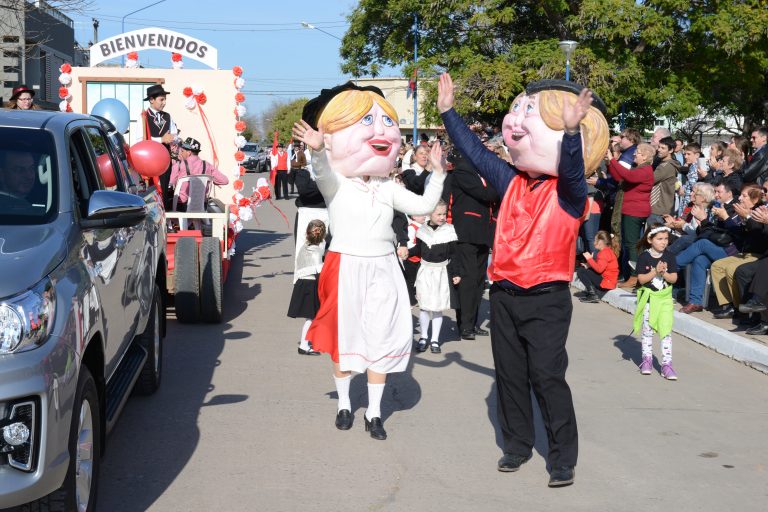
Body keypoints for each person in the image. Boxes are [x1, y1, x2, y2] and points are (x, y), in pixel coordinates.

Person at [437, 72, 609, 487]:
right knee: (509, 374)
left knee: (547, 377)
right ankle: (516, 445)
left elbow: (570, 171)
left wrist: (570, 132)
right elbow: (476, 154)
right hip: (506, 295)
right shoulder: (511, 182)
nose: (516, 122)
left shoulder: (570, 194)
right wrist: (448, 112)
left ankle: (562, 458)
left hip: (547, 299)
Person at [293, 82, 446, 441]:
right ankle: (345, 405)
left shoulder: (388, 187)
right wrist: (317, 151)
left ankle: (374, 413)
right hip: (345, 265)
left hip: (384, 267)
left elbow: (424, 207)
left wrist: (438, 174)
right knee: (344, 337)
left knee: (382, 337)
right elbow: (323, 172)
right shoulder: (338, 186)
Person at [447, 151, 499, 340]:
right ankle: (465, 325)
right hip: (467, 233)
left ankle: (472, 323)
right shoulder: (463, 171)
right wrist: (497, 185)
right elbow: (485, 194)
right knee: (468, 280)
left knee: (478, 281)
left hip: (482, 233)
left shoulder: (481, 174)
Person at [676, 182, 742, 314]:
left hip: (732, 251)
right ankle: (696, 302)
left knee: (702, 244)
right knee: (699, 259)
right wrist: (703, 223)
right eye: (715, 192)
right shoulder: (716, 206)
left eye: (719, 192)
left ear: (729, 194)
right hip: (718, 247)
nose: (715, 195)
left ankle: (668, 268)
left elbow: (732, 235)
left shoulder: (734, 209)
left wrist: (706, 220)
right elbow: (708, 232)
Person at [709, 184, 767, 319]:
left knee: (731, 269)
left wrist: (743, 218)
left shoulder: (758, 211)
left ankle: (740, 309)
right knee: (717, 266)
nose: (739, 198)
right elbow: (738, 234)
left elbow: (755, 238)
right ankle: (729, 305)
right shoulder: (742, 212)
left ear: (754, 199)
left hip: (756, 254)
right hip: (743, 252)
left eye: (744, 196)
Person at [410, 200, 461, 354]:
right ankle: (424, 337)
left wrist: (456, 273)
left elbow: (454, 255)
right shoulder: (423, 230)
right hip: (425, 272)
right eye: (438, 214)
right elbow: (419, 249)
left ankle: (435, 340)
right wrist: (408, 252)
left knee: (437, 308)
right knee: (425, 307)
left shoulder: (449, 231)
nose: (442, 217)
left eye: (444, 213)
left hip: (441, 273)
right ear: (430, 214)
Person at [633, 225, 679, 379]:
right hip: (649, 300)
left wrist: (664, 272)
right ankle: (647, 360)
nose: (664, 242)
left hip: (665, 299)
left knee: (666, 331)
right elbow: (641, 279)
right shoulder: (644, 257)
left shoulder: (670, 256)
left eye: (666, 239)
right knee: (648, 331)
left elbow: (673, 278)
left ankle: (667, 364)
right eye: (660, 239)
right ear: (650, 239)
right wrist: (654, 271)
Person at [607, 142, 655, 288]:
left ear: (645, 156)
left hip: (634, 211)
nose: (634, 154)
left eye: (638, 152)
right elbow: (619, 177)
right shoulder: (639, 168)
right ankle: (633, 275)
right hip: (631, 210)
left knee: (632, 244)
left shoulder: (645, 170)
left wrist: (613, 160)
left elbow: (627, 175)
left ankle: (635, 276)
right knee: (631, 243)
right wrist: (610, 163)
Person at [288, 219, 327, 355]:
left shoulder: (305, 246)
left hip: (302, 283)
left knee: (311, 317)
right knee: (311, 317)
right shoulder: (316, 251)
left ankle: (307, 342)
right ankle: (304, 345)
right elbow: (319, 271)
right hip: (310, 285)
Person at [142, 84, 179, 208]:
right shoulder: (143, 117)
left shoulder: (167, 116)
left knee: (164, 186)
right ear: (151, 100)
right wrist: (161, 139)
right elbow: (140, 140)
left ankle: (164, 217)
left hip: (165, 158)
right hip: (149, 160)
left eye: (165, 99)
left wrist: (174, 138)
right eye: (161, 99)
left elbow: (174, 134)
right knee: (151, 189)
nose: (164, 103)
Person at [168, 137, 229, 210]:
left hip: (182, 206)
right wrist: (213, 180)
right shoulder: (207, 165)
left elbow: (170, 184)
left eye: (182, 151)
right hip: (201, 206)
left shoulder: (179, 165)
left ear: (189, 152)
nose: (180, 153)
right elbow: (225, 181)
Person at [576, 231, 620, 303]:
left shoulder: (604, 253)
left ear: (601, 242)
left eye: (595, 240)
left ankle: (593, 294)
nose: (594, 242)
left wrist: (589, 259)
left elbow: (599, 270)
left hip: (606, 283)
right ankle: (592, 291)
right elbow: (601, 267)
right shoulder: (607, 251)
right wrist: (589, 265)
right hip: (610, 282)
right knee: (585, 269)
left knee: (581, 271)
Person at [649, 137, 682, 226]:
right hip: (661, 207)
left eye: (663, 148)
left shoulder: (666, 166)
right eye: (659, 147)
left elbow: (649, 180)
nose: (659, 150)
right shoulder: (664, 163)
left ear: (671, 150)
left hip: (658, 208)